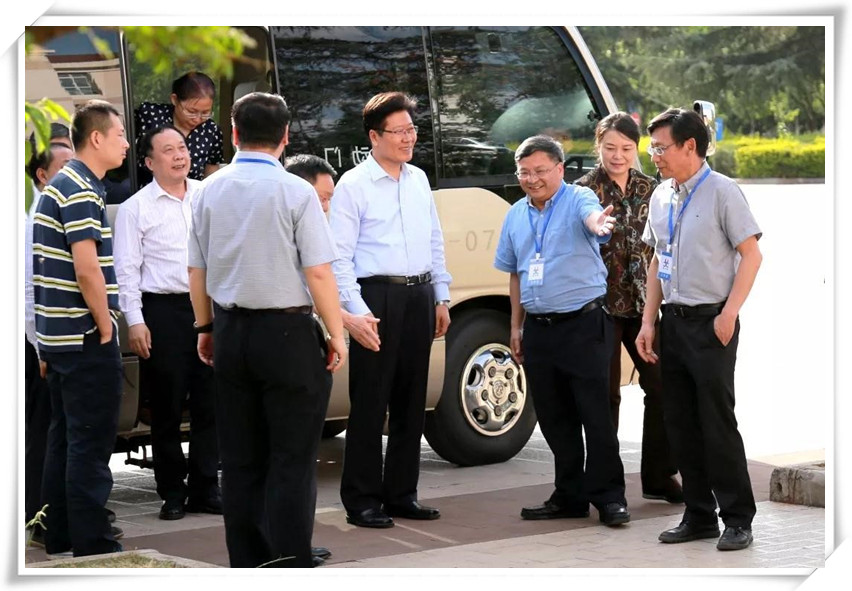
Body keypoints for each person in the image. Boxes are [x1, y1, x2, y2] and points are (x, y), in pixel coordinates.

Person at [187, 92, 347, 568]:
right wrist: (336, 333)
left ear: (234, 132)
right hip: (288, 333)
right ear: (286, 136)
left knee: (240, 457)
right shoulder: (296, 192)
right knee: (292, 455)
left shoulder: (207, 190)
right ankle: (289, 557)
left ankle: (247, 559)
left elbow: (196, 271)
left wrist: (205, 326)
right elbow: (318, 272)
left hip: (230, 330)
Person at [636, 108, 762, 551]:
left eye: (661, 148)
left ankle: (738, 519)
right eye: (651, 148)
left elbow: (752, 255)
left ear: (690, 146)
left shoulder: (723, 191)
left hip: (712, 324)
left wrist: (729, 314)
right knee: (680, 422)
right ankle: (698, 515)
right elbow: (657, 258)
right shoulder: (661, 195)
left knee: (716, 423)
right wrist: (648, 320)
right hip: (673, 322)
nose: (654, 156)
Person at [329, 91, 451, 529]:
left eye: (411, 130)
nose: (408, 138)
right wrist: (358, 312)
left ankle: (402, 494)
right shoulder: (353, 185)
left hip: (419, 295)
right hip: (376, 298)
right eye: (398, 131)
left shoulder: (418, 179)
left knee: (412, 401)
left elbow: (434, 239)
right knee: (370, 401)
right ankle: (362, 500)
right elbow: (338, 257)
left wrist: (441, 295)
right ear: (374, 136)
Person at [493, 134, 630, 526]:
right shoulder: (515, 215)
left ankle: (609, 498)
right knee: (554, 418)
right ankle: (569, 495)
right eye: (524, 172)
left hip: (584, 324)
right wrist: (516, 327)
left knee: (595, 415)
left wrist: (598, 223)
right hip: (539, 330)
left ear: (559, 169)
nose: (532, 179)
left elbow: (593, 217)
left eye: (540, 171)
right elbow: (516, 274)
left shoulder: (578, 198)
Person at [33, 99, 129, 557]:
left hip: (58, 337)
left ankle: (61, 534)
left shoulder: (63, 183)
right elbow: (87, 267)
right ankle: (93, 542)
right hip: (84, 335)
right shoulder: (81, 188)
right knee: (90, 443)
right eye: (119, 135)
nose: (126, 144)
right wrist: (105, 325)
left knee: (65, 439)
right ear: (95, 138)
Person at [113, 125, 221, 522]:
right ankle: (172, 491)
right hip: (163, 311)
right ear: (149, 162)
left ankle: (206, 488)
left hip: (208, 307)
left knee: (211, 402)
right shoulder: (135, 208)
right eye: (169, 150)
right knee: (167, 406)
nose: (179, 156)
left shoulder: (208, 195)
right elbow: (126, 271)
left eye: (182, 148)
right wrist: (135, 321)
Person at [574, 112, 683, 504]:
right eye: (609, 148)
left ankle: (659, 476)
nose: (617, 156)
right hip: (599, 308)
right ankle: (607, 487)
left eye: (625, 148)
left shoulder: (654, 188)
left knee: (663, 388)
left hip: (644, 306)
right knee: (605, 397)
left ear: (636, 149)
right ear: (598, 146)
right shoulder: (582, 191)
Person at [24, 140, 74, 544]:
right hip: (38, 341)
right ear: (42, 175)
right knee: (44, 431)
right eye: (66, 165)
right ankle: (40, 516)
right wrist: (40, 345)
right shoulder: (36, 214)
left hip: (45, 339)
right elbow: (29, 290)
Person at [285, 154, 381, 354]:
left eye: (329, 199)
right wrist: (342, 326)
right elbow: (315, 280)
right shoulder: (287, 230)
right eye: (322, 198)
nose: (326, 207)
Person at [135, 71, 224, 186]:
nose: (197, 119)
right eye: (191, 112)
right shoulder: (150, 115)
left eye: (205, 113)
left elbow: (211, 172)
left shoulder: (211, 131)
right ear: (174, 100)